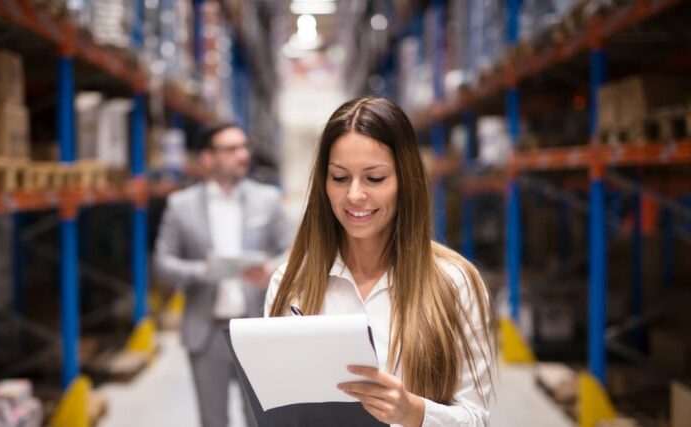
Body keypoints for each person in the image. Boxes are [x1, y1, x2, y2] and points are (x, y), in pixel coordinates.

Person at [265, 97, 495, 427]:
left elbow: (475, 419)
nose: (354, 195)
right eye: (340, 178)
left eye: (374, 178)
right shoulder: (290, 283)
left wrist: (414, 413)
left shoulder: (454, 283)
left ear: (405, 180)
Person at [154, 123, 293, 427]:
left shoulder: (267, 199)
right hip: (206, 332)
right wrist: (201, 271)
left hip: (256, 329)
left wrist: (271, 271)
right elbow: (162, 263)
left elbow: (295, 250)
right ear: (207, 158)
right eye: (231, 149)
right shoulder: (180, 206)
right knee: (212, 420)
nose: (243, 155)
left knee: (260, 420)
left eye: (244, 147)